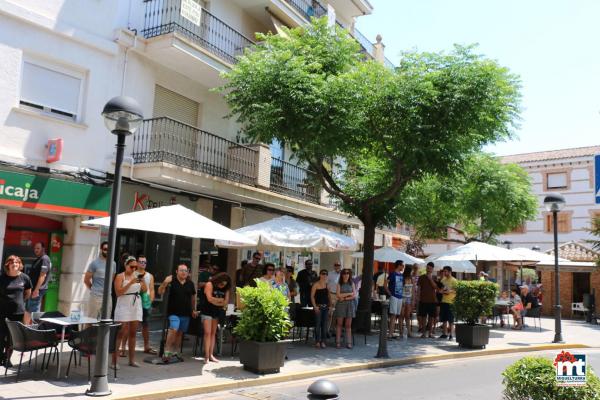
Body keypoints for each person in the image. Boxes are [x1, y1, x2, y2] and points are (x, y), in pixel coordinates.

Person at [112, 257, 147, 368]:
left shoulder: (137, 275)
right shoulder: (119, 276)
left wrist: (143, 281)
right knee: (120, 333)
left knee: (133, 333)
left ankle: (131, 360)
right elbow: (118, 292)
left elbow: (145, 290)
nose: (133, 269)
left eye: (135, 267)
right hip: (123, 304)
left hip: (135, 305)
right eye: (131, 266)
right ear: (125, 265)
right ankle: (114, 361)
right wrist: (130, 282)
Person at [158, 264, 197, 361]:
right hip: (173, 312)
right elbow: (160, 292)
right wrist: (165, 282)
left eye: (185, 270)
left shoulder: (190, 283)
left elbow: (193, 298)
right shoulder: (172, 282)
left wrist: (193, 310)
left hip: (186, 313)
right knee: (173, 329)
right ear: (176, 271)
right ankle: (167, 352)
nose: (184, 272)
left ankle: (175, 352)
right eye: (181, 270)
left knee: (180, 333)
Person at [0, 256, 32, 367]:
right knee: (1, 336)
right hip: (2, 312)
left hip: (18, 313)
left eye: (17, 262)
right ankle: (0, 357)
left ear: (20, 264)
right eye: (12, 262)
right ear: (7, 265)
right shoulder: (2, 278)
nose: (15, 264)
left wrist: (20, 302)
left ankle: (7, 359)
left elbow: (28, 293)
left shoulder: (25, 278)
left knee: (12, 338)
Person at [200, 272, 231, 363]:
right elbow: (209, 298)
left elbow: (225, 302)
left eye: (224, 284)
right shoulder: (210, 284)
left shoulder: (226, 289)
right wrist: (219, 300)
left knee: (213, 333)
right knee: (207, 333)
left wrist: (216, 301)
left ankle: (211, 355)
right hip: (207, 311)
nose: (222, 286)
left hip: (217, 312)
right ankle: (206, 356)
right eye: (221, 283)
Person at [83, 241, 116, 320]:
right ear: (101, 250)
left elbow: (111, 279)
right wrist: (93, 289)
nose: (107, 251)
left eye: (109, 249)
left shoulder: (113, 263)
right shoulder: (94, 263)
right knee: (91, 320)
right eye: (105, 249)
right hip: (95, 296)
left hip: (108, 296)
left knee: (106, 320)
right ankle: (89, 333)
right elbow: (86, 280)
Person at [24, 242, 51, 324]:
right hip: (32, 290)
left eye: (38, 248)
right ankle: (26, 329)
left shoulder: (44, 259)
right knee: (28, 311)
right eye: (35, 248)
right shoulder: (38, 259)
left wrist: (36, 290)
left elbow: (42, 275)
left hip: (37, 290)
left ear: (43, 249)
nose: (36, 250)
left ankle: (35, 332)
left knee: (34, 313)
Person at [137, 255, 156, 354]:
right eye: (140, 262)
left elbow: (152, 289)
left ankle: (146, 347)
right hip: (134, 301)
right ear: (137, 262)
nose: (142, 264)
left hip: (146, 302)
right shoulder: (133, 273)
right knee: (132, 325)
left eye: (144, 262)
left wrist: (151, 301)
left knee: (146, 325)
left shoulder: (149, 275)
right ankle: (123, 348)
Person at [335, 268, 356, 349]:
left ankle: (349, 342)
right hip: (340, 306)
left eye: (347, 273)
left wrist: (344, 298)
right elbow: (338, 295)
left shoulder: (352, 283)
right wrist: (349, 294)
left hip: (350, 305)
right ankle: (338, 342)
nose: (346, 274)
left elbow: (354, 295)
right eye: (344, 273)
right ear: (342, 275)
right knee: (339, 324)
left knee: (348, 325)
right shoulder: (339, 284)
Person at [311, 269, 331, 349]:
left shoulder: (327, 285)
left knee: (324, 325)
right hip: (318, 307)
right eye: (323, 274)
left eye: (326, 274)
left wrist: (330, 306)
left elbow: (329, 296)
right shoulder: (316, 284)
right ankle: (317, 341)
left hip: (326, 307)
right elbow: (312, 296)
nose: (324, 275)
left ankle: (323, 341)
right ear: (320, 274)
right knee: (317, 325)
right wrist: (315, 306)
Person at [385, 260, 404, 338]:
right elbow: (385, 284)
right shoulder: (392, 274)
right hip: (394, 296)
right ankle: (390, 334)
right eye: (402, 265)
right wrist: (389, 293)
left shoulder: (401, 275)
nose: (403, 267)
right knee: (393, 315)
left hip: (400, 297)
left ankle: (392, 332)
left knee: (397, 315)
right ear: (398, 265)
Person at [417, 262, 437, 338]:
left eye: (430, 268)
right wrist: (418, 297)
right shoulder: (421, 277)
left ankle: (430, 333)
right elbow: (419, 288)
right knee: (423, 317)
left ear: (432, 269)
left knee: (431, 317)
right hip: (423, 300)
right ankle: (424, 333)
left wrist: (430, 279)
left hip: (432, 300)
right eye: (427, 268)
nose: (428, 269)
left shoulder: (434, 277)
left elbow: (436, 287)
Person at [439, 266, 457, 340]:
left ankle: (451, 335)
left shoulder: (454, 280)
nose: (444, 273)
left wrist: (449, 291)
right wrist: (442, 291)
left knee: (451, 319)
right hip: (443, 301)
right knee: (444, 319)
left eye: (446, 271)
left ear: (450, 272)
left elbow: (456, 290)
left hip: (451, 302)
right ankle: (444, 333)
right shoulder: (443, 280)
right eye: (444, 271)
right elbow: (441, 289)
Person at [327, 261, 341, 334]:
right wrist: (328, 295)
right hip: (331, 294)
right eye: (336, 265)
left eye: (338, 265)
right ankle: (327, 330)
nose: (337, 266)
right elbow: (327, 284)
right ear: (334, 266)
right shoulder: (330, 274)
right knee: (330, 313)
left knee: (337, 313)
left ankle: (333, 329)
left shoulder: (342, 274)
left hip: (339, 296)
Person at [401, 265, 415, 338]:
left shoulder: (411, 279)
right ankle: (401, 332)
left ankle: (409, 332)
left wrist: (413, 299)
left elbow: (413, 289)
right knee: (402, 315)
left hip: (409, 298)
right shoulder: (402, 278)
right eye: (412, 270)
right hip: (403, 297)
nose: (412, 271)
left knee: (407, 316)